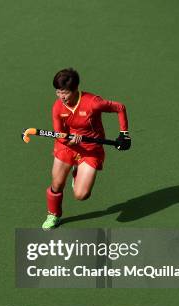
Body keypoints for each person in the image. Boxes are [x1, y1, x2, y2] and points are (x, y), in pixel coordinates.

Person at [42, 68, 131, 230]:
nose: (61, 97)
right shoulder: (57, 108)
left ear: (75, 89)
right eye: (58, 92)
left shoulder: (93, 103)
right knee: (57, 184)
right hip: (67, 147)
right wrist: (69, 141)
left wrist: (124, 134)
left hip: (91, 149)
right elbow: (59, 135)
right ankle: (53, 214)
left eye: (65, 93)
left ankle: (77, 172)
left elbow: (120, 108)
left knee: (81, 195)